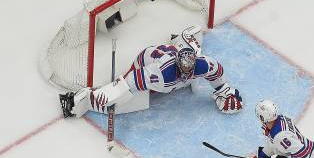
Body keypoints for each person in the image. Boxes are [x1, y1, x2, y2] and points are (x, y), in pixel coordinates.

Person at [59, 27, 243, 118]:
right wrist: (111, 96)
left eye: (191, 68)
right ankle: (84, 100)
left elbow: (216, 71)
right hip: (146, 61)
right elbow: (128, 81)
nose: (189, 72)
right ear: (178, 66)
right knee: (129, 101)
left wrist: (224, 91)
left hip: (170, 55)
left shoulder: (200, 64)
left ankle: (181, 40)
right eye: (185, 69)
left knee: (186, 80)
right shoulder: (159, 75)